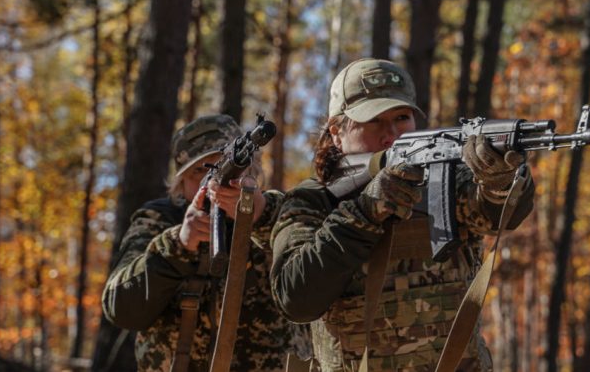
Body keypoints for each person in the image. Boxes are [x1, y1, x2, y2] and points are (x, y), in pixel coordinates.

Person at [270, 58, 535, 371]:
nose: (391, 133)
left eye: (401, 117)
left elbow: (500, 213)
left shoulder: (445, 180)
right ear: (336, 132)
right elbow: (295, 297)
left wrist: (500, 181)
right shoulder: (312, 201)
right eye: (374, 121)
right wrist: (364, 212)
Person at [103, 114, 305, 371]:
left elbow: (313, 283)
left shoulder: (281, 212)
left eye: (220, 167)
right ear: (180, 182)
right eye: (199, 171)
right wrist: (178, 244)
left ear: (252, 170)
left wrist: (260, 216)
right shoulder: (158, 219)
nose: (212, 182)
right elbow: (120, 308)